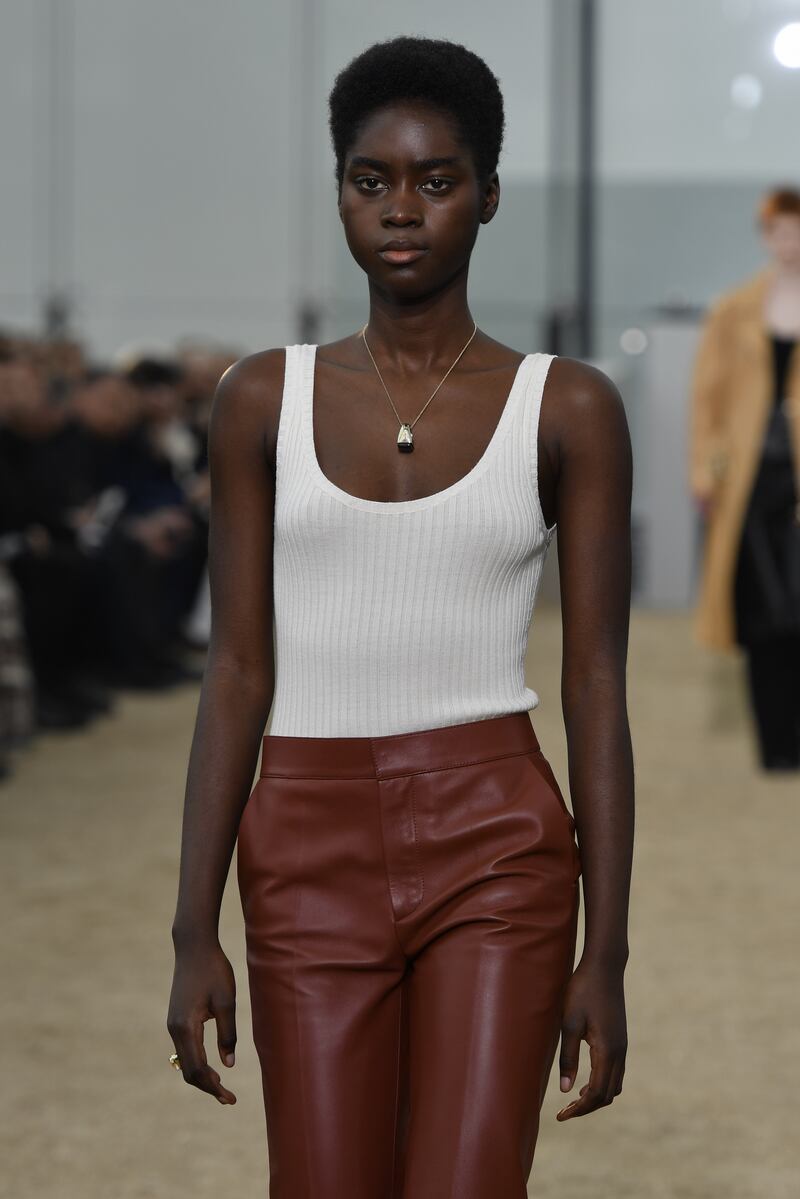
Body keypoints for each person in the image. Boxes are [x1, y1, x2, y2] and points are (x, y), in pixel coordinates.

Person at [167, 35, 634, 1196]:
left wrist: (607, 951)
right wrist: (190, 929)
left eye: (436, 181)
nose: (401, 210)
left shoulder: (565, 404)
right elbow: (234, 672)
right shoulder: (258, 400)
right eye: (370, 180)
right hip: (302, 847)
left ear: (482, 194)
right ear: (338, 194)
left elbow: (594, 687)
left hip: (499, 846)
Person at [690, 185, 800, 771]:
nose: (790, 242)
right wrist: (706, 471)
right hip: (751, 486)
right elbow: (707, 399)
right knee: (763, 615)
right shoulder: (734, 310)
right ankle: (777, 747)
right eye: (780, 231)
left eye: (797, 230)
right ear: (766, 237)